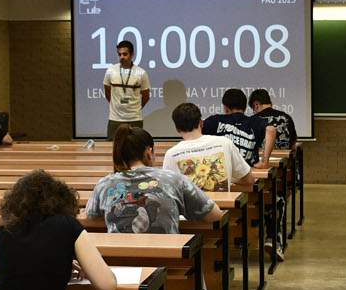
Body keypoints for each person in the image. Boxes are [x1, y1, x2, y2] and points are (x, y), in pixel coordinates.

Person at [86, 126, 225, 234]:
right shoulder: (173, 179)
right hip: (168, 259)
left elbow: (91, 216)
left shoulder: (104, 184)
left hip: (117, 261)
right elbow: (215, 215)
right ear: (148, 152)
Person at [162, 102, 252, 191]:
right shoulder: (225, 143)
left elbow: (167, 191)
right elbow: (249, 180)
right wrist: (226, 180)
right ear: (201, 123)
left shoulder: (171, 154)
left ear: (177, 129)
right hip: (221, 200)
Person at [203, 88, 277, 167]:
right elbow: (271, 130)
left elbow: (197, 130)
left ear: (226, 107)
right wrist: (265, 162)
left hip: (222, 170)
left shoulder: (215, 120)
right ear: (245, 107)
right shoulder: (254, 121)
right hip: (248, 170)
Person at [103, 40, 151, 140]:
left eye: (125, 54)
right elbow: (107, 91)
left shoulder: (141, 73)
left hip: (135, 119)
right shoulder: (110, 71)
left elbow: (146, 96)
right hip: (115, 119)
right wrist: (116, 105)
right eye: (119, 54)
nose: (122, 57)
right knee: (113, 147)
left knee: (136, 147)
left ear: (132, 54)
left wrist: (135, 108)